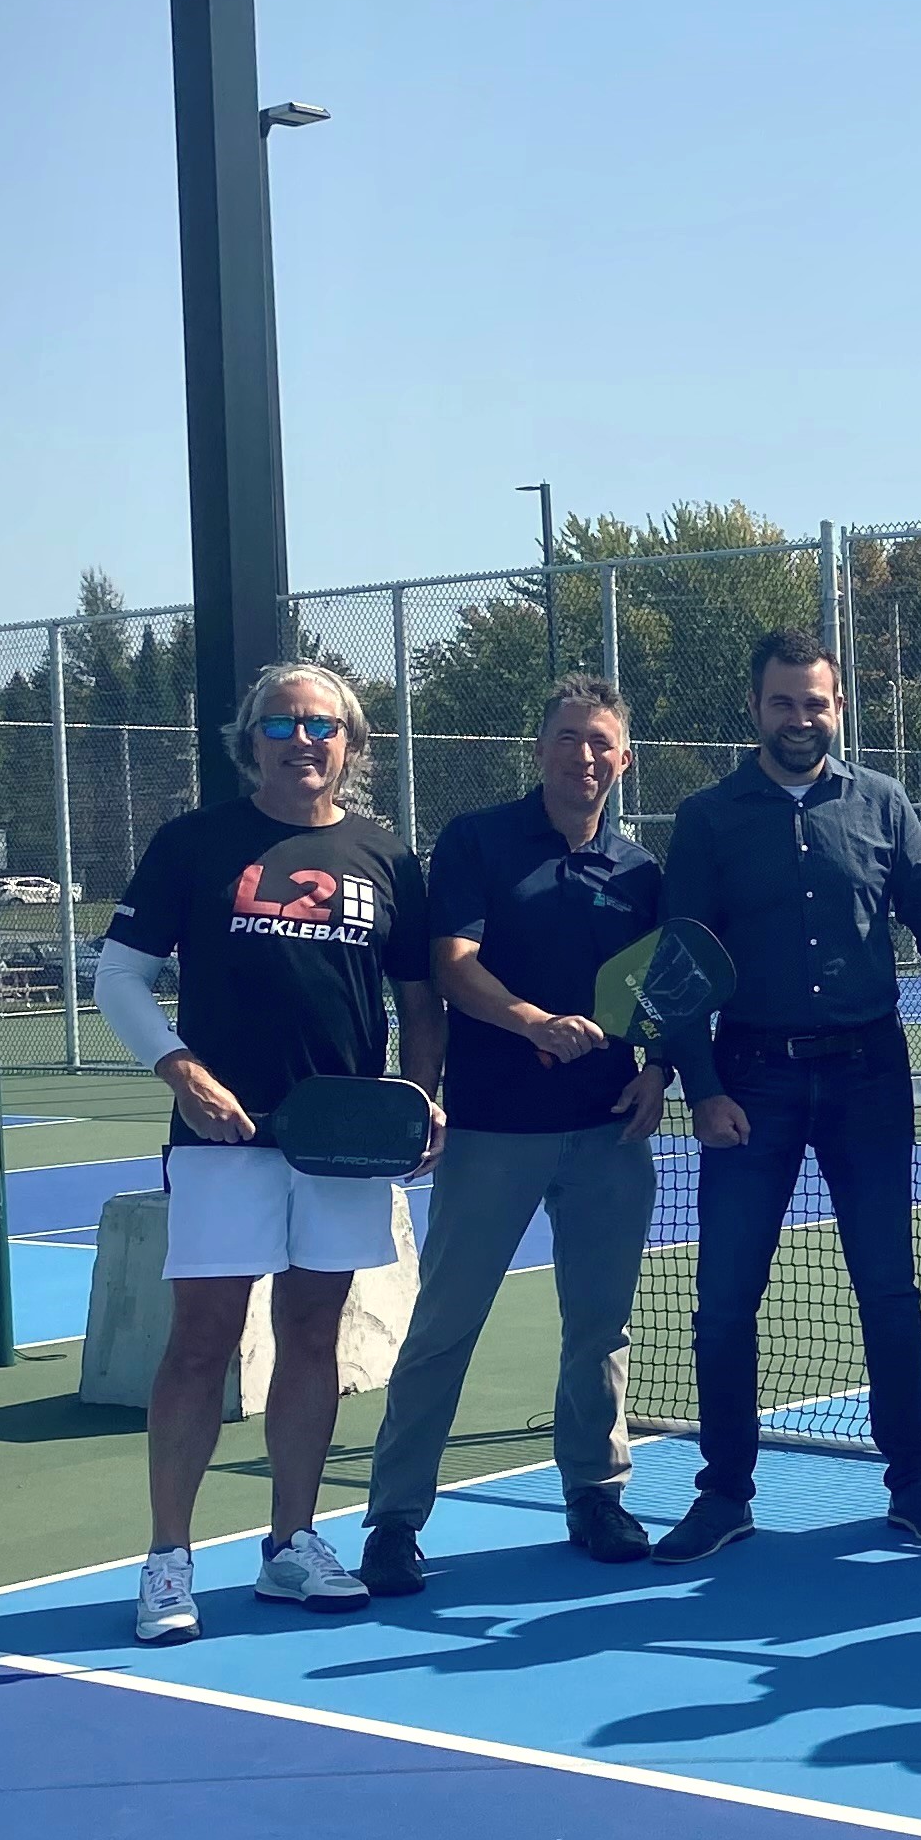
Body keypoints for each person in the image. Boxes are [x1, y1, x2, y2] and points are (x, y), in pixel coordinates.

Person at [96, 657, 443, 1645]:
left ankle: (292, 1543)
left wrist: (421, 1099)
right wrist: (182, 1073)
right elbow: (119, 979)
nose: (304, 741)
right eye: (283, 725)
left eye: (322, 726)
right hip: (221, 1140)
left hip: (339, 1147)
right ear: (250, 741)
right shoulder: (194, 844)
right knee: (201, 1343)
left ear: (352, 745)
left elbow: (420, 1001)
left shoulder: (386, 858)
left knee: (314, 1338)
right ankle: (168, 1559)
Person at [655, 629, 921, 1561]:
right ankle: (724, 1496)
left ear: (840, 707)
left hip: (870, 1075)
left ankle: (914, 1484)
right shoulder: (708, 817)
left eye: (817, 703)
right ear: (756, 710)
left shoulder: (884, 803)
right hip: (750, 1078)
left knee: (888, 1286)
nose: (802, 718)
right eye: (784, 702)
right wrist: (703, 1090)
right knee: (724, 1293)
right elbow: (679, 965)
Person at [356, 675, 668, 1592]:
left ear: (623, 759)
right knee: (446, 1326)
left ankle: (597, 1493)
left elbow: (663, 990)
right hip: (496, 1133)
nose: (584, 756)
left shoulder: (644, 871)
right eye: (567, 739)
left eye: (600, 743)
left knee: (600, 1328)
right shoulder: (479, 841)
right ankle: (395, 1520)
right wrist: (532, 1022)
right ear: (539, 752)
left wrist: (657, 1070)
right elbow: (452, 966)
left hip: (610, 1134)